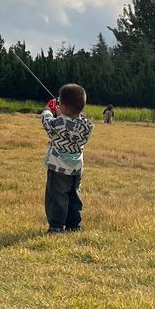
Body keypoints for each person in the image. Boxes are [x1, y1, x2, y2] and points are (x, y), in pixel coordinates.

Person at [41, 83, 93, 234]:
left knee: (56, 197)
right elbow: (72, 123)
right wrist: (62, 113)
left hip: (58, 167)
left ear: (62, 106)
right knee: (74, 195)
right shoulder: (85, 126)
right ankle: (74, 225)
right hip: (76, 167)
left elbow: (47, 123)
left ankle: (56, 226)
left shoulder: (58, 124)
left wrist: (48, 110)